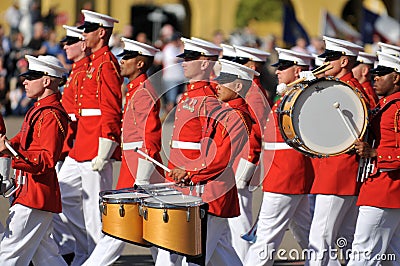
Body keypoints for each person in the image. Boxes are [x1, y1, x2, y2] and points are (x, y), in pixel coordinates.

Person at [82, 37, 163, 266]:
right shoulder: (136, 88)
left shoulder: (143, 91)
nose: (122, 61)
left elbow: (151, 135)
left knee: (119, 226)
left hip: (140, 165)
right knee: (156, 231)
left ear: (140, 64)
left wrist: (142, 176)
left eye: (127, 57)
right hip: (135, 162)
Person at [168, 58, 256, 265]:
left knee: (195, 255)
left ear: (238, 86)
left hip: (215, 190)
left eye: (224, 81)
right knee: (222, 253)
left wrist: (190, 173)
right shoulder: (227, 111)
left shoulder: (237, 116)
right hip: (210, 187)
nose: (217, 85)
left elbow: (220, 158)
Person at [56, 10, 122, 265]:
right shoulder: (95, 62)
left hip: (96, 144)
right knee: (60, 194)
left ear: (101, 33)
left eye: (88, 29)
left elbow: (111, 109)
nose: (83, 33)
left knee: (96, 213)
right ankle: (85, 252)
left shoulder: (106, 63)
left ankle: (96, 259)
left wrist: (106, 146)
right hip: (81, 144)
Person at [244, 48, 315, 266]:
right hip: (287, 174)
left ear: (299, 70)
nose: (277, 72)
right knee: (310, 238)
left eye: (284, 67)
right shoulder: (291, 93)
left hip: (286, 175)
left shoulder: (303, 95)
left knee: (265, 237)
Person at [156, 36, 222, 265]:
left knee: (183, 249)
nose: (184, 62)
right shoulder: (191, 93)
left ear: (205, 63)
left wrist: (191, 171)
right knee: (217, 252)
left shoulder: (208, 97)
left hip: (195, 182)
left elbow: (213, 145)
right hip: (182, 177)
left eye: (191, 58)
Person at [0, 54, 68, 265]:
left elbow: (46, 160)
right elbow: (18, 142)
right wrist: (7, 147)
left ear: (46, 80)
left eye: (31, 77)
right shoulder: (38, 110)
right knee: (47, 258)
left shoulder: (50, 114)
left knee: (7, 255)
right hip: (31, 193)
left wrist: (11, 154)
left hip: (34, 196)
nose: (25, 81)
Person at [308, 36, 365, 265]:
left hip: (339, 172)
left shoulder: (350, 91)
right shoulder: (337, 87)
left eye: (331, 58)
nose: (326, 62)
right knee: (345, 237)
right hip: (333, 170)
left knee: (320, 237)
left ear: (344, 61)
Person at [348, 51, 400, 265]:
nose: (375, 77)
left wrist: (375, 153)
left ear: (396, 77)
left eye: (383, 74)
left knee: (362, 255)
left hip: (385, 190)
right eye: (375, 73)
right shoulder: (385, 105)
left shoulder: (397, 109)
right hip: (381, 188)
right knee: (390, 257)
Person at [223, 44, 271, 262]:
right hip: (234, 161)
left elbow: (259, 132)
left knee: (239, 218)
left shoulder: (254, 93)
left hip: (241, 162)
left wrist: (248, 164)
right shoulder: (248, 91)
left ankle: (243, 259)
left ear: (251, 66)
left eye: (240, 63)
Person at [52, 24, 91, 262]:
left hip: (80, 146)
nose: (65, 46)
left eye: (70, 42)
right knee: (62, 198)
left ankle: (85, 249)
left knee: (69, 200)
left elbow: (93, 114)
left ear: (83, 44)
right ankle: (76, 248)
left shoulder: (88, 70)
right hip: (70, 145)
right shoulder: (78, 71)